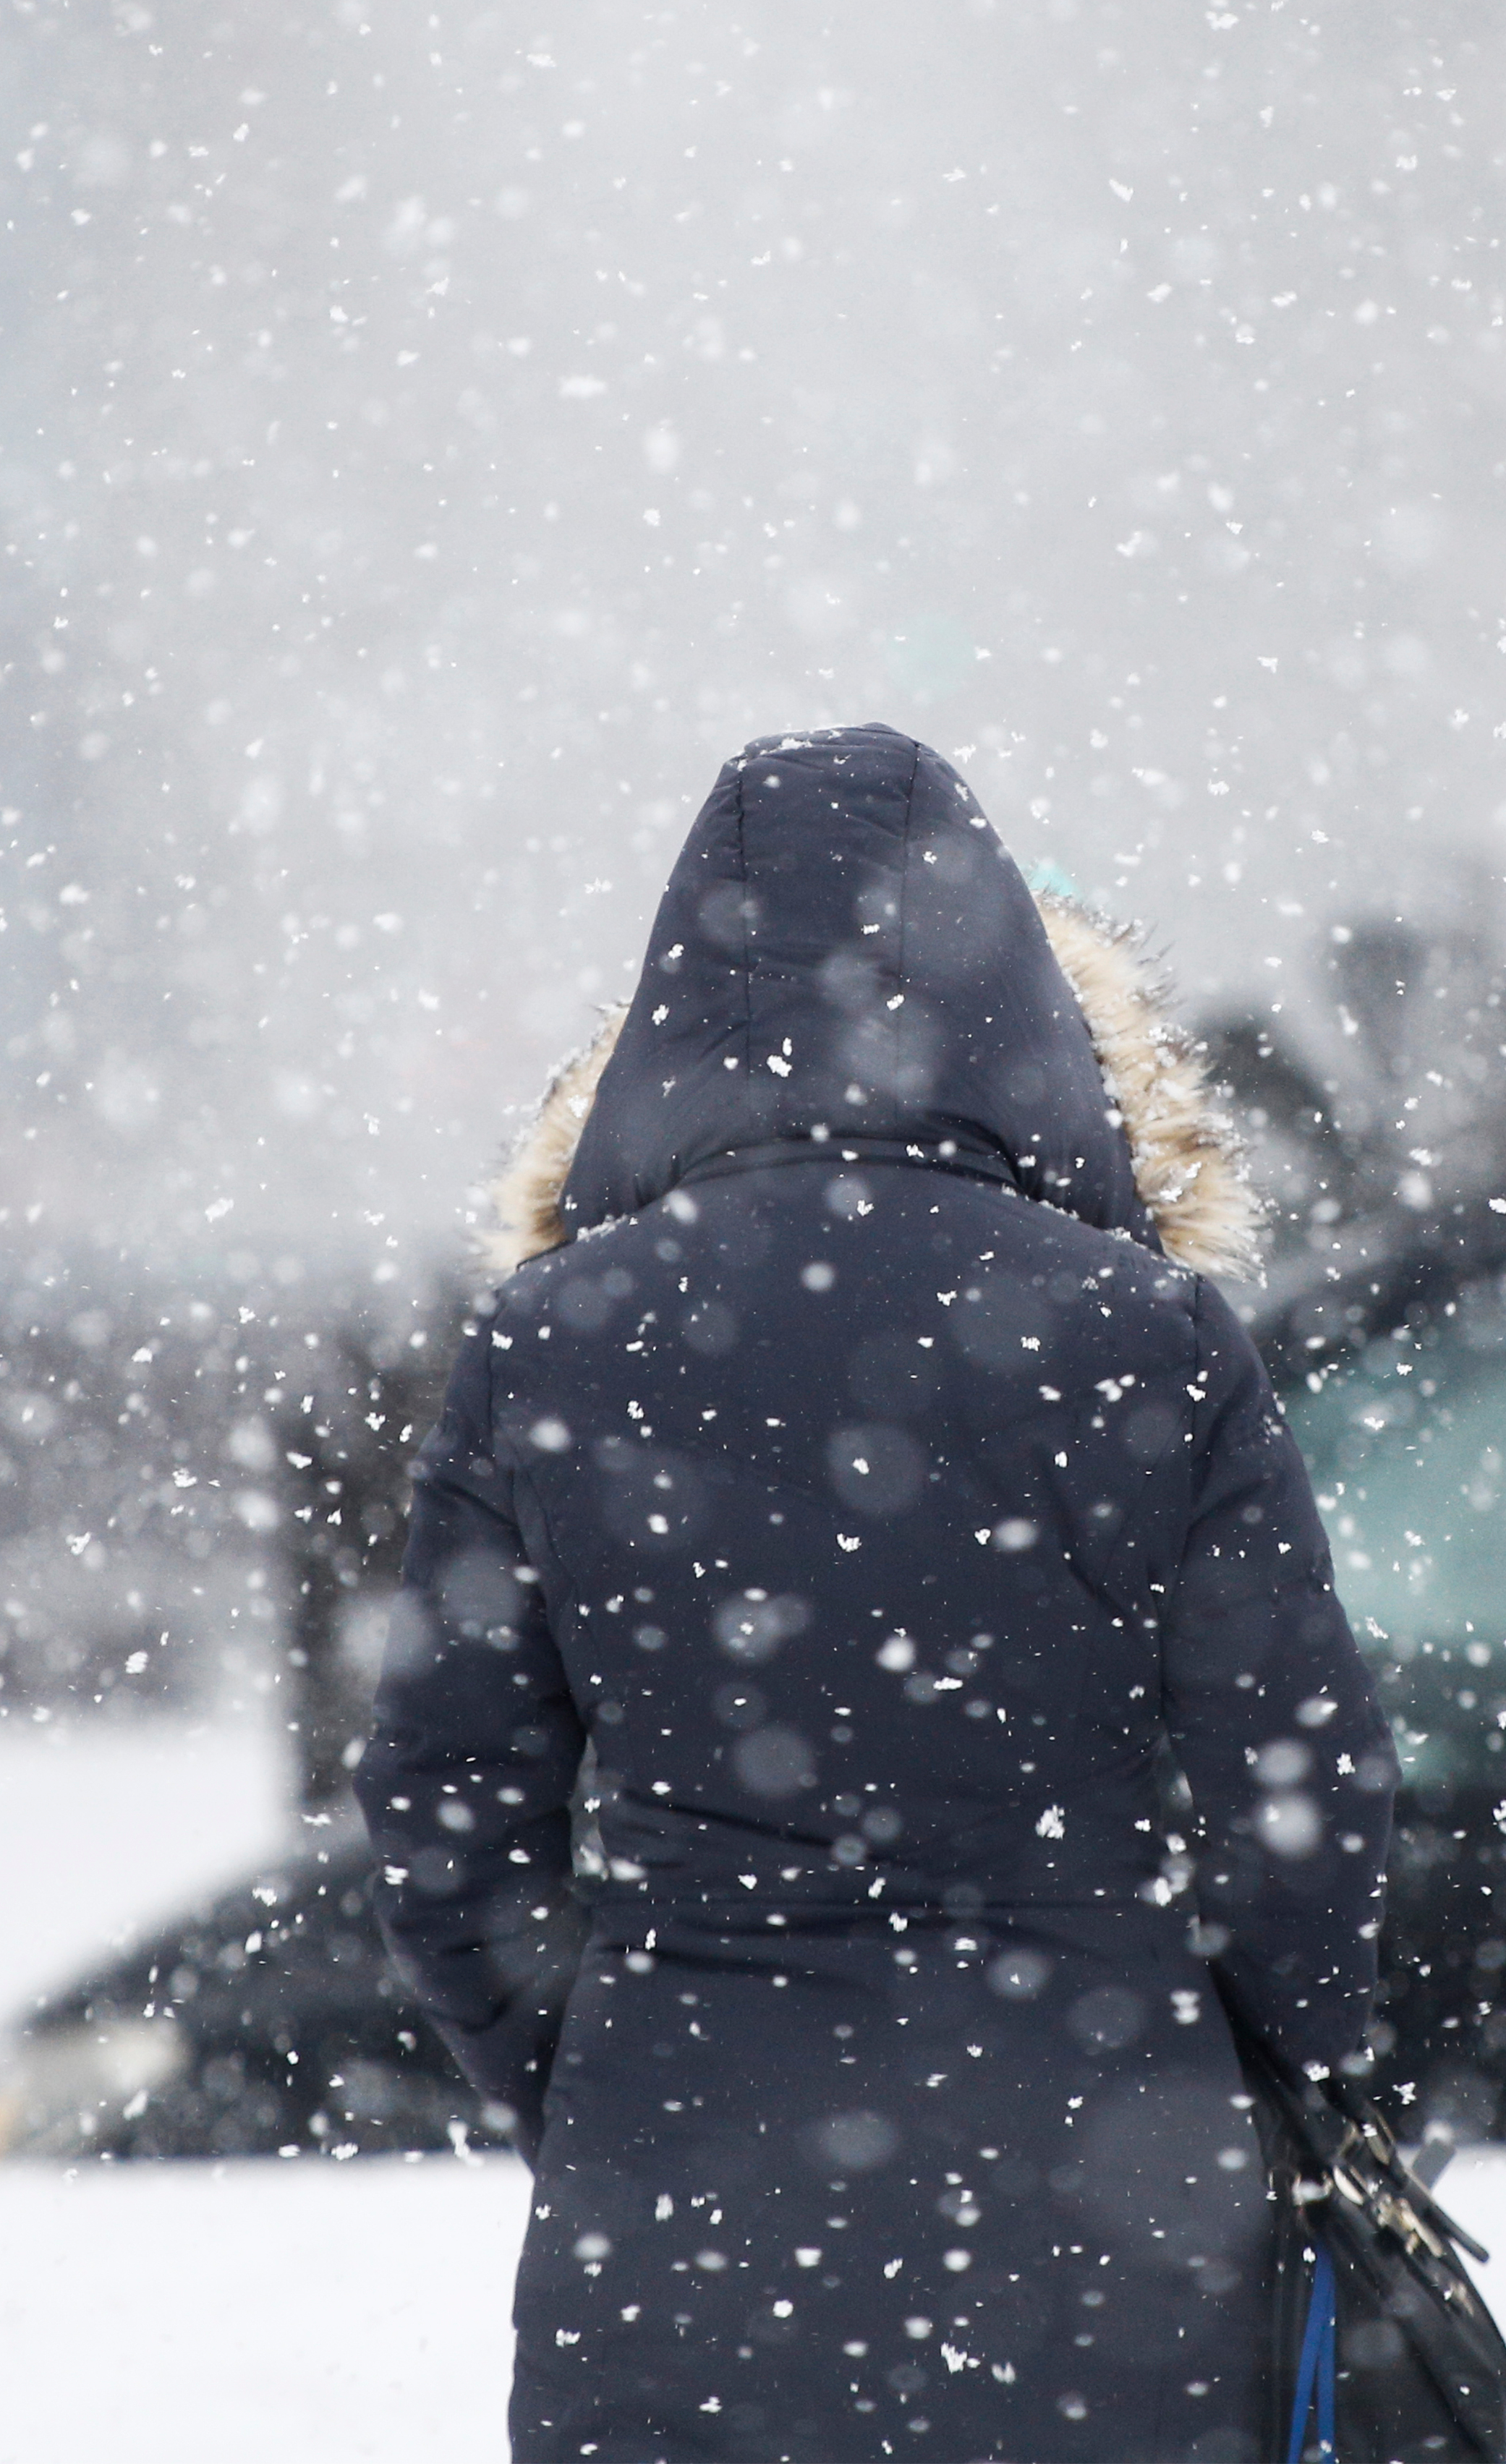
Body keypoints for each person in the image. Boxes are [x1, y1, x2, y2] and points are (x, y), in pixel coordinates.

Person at [357, 725, 1393, 2464]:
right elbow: (1301, 1787)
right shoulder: (1141, 1336)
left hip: (680, 2224)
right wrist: (1254, 2070)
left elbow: (443, 1819)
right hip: (1106, 2208)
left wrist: (609, 2070)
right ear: (1017, 1003)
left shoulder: (552, 1345)